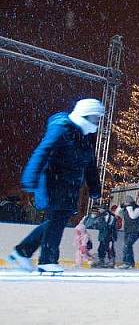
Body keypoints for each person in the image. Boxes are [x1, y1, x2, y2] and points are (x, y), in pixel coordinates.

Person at [7, 99, 104, 274]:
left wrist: (95, 187)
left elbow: (90, 164)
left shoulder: (85, 136)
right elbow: (43, 150)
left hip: (70, 185)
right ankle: (47, 260)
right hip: (53, 181)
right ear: (85, 115)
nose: (97, 122)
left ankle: (22, 251)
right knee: (57, 217)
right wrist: (31, 178)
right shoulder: (62, 128)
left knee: (58, 218)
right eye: (95, 118)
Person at [115, 195, 139, 269]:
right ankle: (130, 263)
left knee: (127, 245)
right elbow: (117, 214)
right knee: (128, 246)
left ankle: (127, 263)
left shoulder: (138, 209)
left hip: (136, 230)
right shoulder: (126, 209)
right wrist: (120, 207)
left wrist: (129, 208)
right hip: (128, 230)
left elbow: (133, 216)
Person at [86, 203, 118, 268]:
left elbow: (109, 225)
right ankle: (102, 260)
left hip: (108, 235)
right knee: (101, 248)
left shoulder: (109, 216)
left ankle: (111, 261)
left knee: (107, 248)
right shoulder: (101, 216)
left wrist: (108, 233)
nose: (99, 210)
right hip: (103, 234)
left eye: (101, 209)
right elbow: (97, 224)